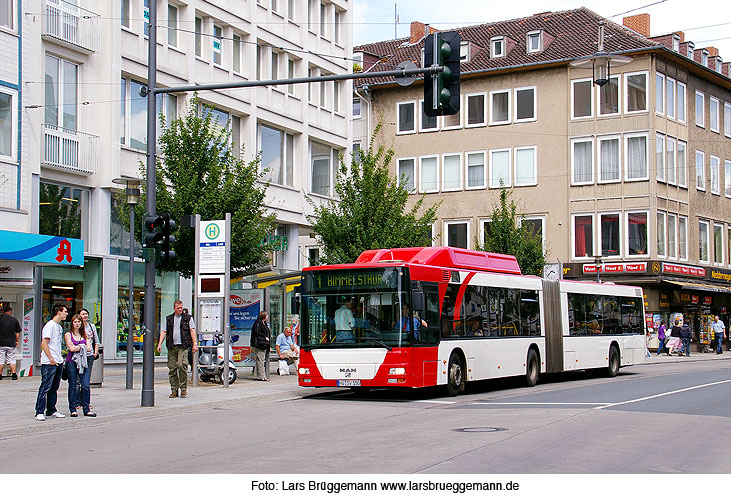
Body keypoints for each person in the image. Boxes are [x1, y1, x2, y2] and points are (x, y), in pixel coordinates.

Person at [157, 300, 198, 398]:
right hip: (172, 346)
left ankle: (183, 388)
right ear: (174, 308)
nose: (180, 310)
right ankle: (174, 390)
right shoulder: (169, 319)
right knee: (172, 369)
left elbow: (192, 331)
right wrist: (159, 344)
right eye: (178, 308)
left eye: (181, 308)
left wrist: (195, 344)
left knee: (181, 364)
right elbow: (164, 332)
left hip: (183, 346)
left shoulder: (187, 318)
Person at [34, 304, 68, 421]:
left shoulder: (59, 327)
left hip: (58, 361)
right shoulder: (49, 326)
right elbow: (44, 343)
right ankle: (39, 411)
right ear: (59, 312)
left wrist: (59, 360)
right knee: (45, 386)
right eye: (65, 311)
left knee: (54, 387)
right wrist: (51, 359)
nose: (66, 314)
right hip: (49, 362)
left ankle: (51, 409)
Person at [64, 314, 95, 417]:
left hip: (83, 362)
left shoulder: (84, 335)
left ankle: (86, 409)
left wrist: (78, 347)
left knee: (86, 385)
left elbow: (90, 348)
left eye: (79, 322)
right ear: (72, 323)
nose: (77, 324)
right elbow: (71, 348)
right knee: (73, 386)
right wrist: (82, 347)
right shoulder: (68, 334)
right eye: (75, 322)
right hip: (71, 362)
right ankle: (73, 409)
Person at [78, 308, 99, 401]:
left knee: (86, 379)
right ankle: (78, 401)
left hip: (90, 355)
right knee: (78, 380)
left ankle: (85, 401)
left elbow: (96, 340)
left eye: (86, 314)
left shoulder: (91, 326)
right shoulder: (77, 326)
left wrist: (95, 352)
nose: (85, 316)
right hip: (79, 355)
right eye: (83, 314)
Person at [0, 306, 21, 380]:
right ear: (10, 312)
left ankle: (0, 375)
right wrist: (16, 340)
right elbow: (17, 332)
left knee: (1, 359)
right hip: (11, 343)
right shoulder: (14, 320)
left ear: (4, 312)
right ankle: (14, 375)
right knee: (12, 359)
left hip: (1, 343)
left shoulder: (0, 319)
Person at [250, 311, 271, 381]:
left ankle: (256, 375)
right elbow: (257, 332)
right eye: (267, 315)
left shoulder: (263, 323)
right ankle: (262, 376)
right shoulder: (258, 322)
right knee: (261, 360)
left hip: (261, 344)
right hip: (258, 344)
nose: (267, 317)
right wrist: (265, 337)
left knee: (259, 360)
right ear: (264, 316)